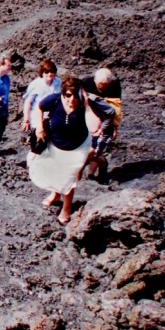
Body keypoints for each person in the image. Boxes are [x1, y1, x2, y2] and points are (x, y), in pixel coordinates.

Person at [28, 77, 116, 224]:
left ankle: (66, 208)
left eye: (76, 95)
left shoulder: (85, 103)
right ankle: (55, 194)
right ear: (63, 93)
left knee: (69, 179)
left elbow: (96, 125)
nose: (72, 99)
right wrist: (40, 127)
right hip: (55, 144)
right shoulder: (54, 100)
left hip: (77, 147)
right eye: (68, 95)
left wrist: (87, 104)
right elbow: (39, 107)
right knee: (55, 172)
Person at [81, 67, 123, 178]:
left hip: (105, 120)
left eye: (105, 84)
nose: (102, 86)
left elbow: (116, 108)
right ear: (95, 80)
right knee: (87, 148)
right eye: (100, 84)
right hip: (89, 118)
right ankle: (88, 169)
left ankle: (91, 174)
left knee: (98, 149)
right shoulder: (86, 83)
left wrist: (115, 128)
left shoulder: (114, 85)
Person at [21, 59, 61, 133]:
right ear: (42, 73)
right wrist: (26, 120)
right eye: (46, 72)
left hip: (54, 113)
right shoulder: (35, 84)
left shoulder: (58, 82)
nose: (49, 74)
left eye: (52, 71)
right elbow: (28, 103)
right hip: (38, 113)